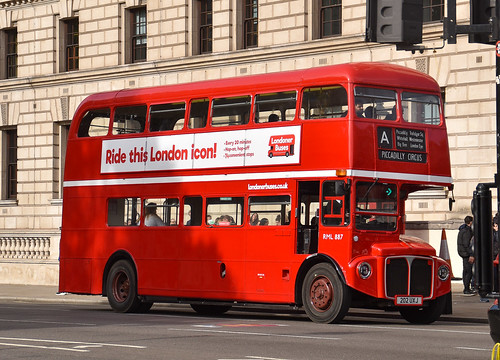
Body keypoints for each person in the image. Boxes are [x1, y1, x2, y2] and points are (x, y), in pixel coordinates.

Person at [457, 215, 475, 295]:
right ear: (470, 222)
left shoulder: (462, 230)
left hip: (463, 253)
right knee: (468, 271)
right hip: (466, 254)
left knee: (466, 271)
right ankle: (467, 288)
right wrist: (471, 254)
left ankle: (467, 287)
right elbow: (467, 244)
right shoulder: (467, 231)